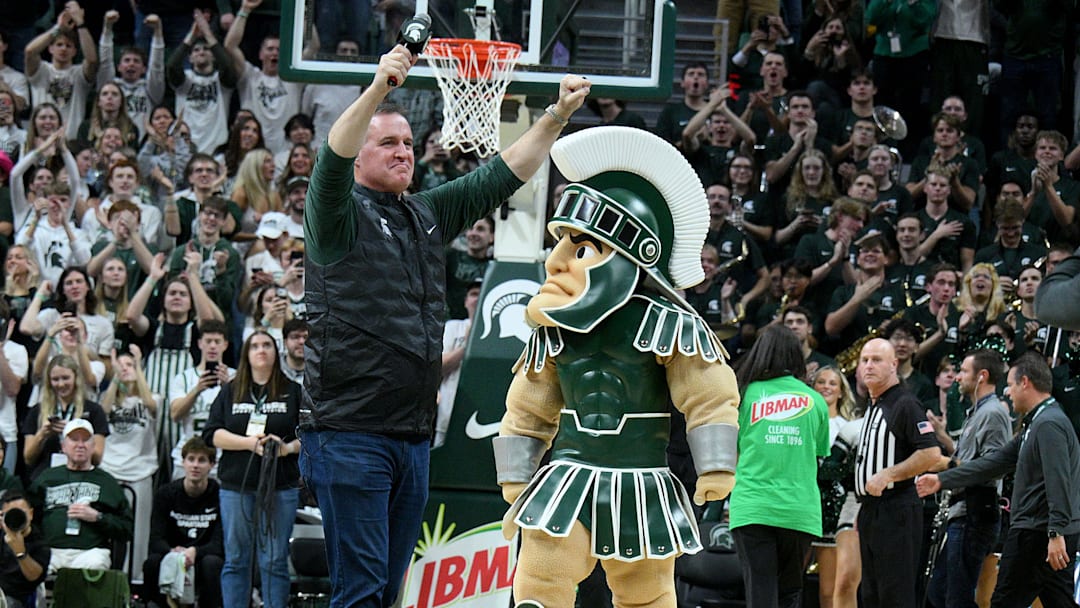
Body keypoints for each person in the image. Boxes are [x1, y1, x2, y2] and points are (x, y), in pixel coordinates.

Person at [298, 44, 590, 607]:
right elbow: (332, 156)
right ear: (358, 157)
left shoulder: (424, 214)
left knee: (387, 592)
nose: (403, 152)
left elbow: (502, 175)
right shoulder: (334, 213)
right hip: (348, 432)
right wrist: (379, 88)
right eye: (388, 143)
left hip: (412, 435)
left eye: (408, 143)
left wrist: (555, 116)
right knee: (360, 592)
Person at [496, 125, 739, 607]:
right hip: (567, 475)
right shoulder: (555, 329)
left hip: (641, 480)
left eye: (580, 248)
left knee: (645, 595)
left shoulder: (670, 325)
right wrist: (516, 469)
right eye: (561, 245)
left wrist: (716, 466)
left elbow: (709, 395)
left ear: (631, 257)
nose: (556, 262)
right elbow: (527, 406)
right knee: (540, 579)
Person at [917, 352, 1080, 607]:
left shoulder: (1049, 424)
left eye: (1011, 385)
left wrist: (1055, 531)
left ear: (1025, 382)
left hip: (1037, 533)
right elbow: (992, 463)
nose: (1007, 392)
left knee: (1004, 602)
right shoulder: (1037, 423)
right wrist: (942, 479)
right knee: (1059, 602)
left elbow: (1059, 480)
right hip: (1042, 531)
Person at [730, 324, 829, 607]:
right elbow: (820, 453)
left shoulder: (743, 396)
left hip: (753, 506)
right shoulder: (816, 401)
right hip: (799, 509)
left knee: (760, 593)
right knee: (790, 593)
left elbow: (730, 450)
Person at [203, 330, 301, 608]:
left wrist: (286, 448)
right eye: (255, 346)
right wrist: (247, 443)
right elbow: (211, 434)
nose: (261, 350)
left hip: (280, 485)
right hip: (237, 485)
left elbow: (310, 436)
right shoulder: (231, 390)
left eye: (267, 345)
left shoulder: (293, 391)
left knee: (274, 560)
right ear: (246, 354)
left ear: (276, 352)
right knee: (236, 559)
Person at [854, 338, 942, 608]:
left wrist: (889, 475)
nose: (869, 366)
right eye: (865, 360)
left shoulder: (904, 404)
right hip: (872, 511)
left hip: (896, 511)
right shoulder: (874, 404)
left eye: (877, 360)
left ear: (894, 364)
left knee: (894, 595)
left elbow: (930, 453)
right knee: (870, 595)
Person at [923, 349, 1012, 608]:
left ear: (981, 376)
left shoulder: (993, 413)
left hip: (975, 512)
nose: (958, 377)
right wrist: (946, 445)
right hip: (963, 512)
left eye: (963, 371)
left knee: (956, 598)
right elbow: (974, 461)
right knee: (940, 593)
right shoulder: (978, 412)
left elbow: (995, 467)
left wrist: (948, 466)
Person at [28, 419, 133, 573]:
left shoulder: (107, 482)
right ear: (63, 446)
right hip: (51, 551)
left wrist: (97, 517)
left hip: (90, 552)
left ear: (93, 446)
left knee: (95, 564)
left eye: (85, 440)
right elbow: (29, 517)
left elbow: (126, 529)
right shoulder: (47, 478)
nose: (80, 445)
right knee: (34, 567)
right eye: (74, 440)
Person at [98, 346, 158, 585]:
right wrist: (115, 377)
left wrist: (139, 366)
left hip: (140, 471)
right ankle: (107, 579)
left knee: (139, 532)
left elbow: (152, 406)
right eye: (120, 365)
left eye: (129, 365)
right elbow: (102, 412)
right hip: (110, 470)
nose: (125, 369)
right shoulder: (108, 400)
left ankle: (134, 581)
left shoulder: (151, 398)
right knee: (108, 529)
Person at [144, 436, 224, 608]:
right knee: (152, 562)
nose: (195, 465)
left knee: (213, 563)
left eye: (202, 460)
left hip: (203, 556)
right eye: (191, 459)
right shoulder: (165, 493)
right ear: (183, 462)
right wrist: (173, 552)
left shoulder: (220, 495)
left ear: (212, 465)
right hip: (173, 553)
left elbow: (219, 544)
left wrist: (195, 551)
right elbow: (155, 539)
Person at [811, 366, 862, 608]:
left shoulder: (847, 426)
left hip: (833, 509)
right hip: (801, 502)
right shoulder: (802, 421)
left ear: (841, 392)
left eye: (833, 383)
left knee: (829, 590)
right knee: (788, 582)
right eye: (821, 382)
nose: (826, 387)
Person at [21, 354, 109, 480]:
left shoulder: (94, 410)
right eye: (55, 379)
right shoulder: (37, 411)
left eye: (66, 378)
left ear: (76, 378)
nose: (61, 384)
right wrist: (42, 434)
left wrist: (74, 434)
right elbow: (28, 458)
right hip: (46, 478)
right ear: (49, 382)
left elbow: (97, 458)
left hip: (81, 479)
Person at [165, 10, 238, 154]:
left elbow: (227, 66)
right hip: (185, 149)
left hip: (216, 150)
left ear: (214, 56)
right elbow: (172, 65)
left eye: (206, 49)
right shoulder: (184, 79)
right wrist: (191, 35)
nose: (201, 52)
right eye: (196, 50)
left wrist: (208, 34)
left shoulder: (221, 81)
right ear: (190, 58)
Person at [167, 320, 232, 479]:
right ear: (199, 344)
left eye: (217, 341)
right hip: (188, 457)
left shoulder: (235, 377)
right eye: (208, 341)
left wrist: (227, 388)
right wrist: (196, 390)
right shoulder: (183, 378)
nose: (212, 346)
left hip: (222, 457)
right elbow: (175, 415)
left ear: (225, 345)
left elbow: (241, 416)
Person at [24, 2, 98, 141]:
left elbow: (92, 60)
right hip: (41, 140)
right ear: (50, 48)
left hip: (72, 141)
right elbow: (30, 51)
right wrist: (57, 28)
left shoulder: (79, 73)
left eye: (68, 46)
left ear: (74, 51)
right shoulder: (42, 70)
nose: (63, 48)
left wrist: (80, 23)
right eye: (59, 44)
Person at [0, 490, 49, 608]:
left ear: (31, 514)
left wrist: (20, 552)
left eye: (20, 513)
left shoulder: (40, 542)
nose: (16, 518)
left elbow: (34, 576)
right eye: (11, 513)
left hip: (18, 598)